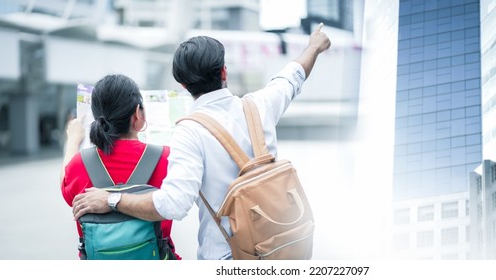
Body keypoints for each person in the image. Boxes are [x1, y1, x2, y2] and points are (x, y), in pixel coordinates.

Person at [72, 23, 331, 260]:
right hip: (284, 246)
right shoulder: (260, 106)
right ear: (223, 71)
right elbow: (292, 76)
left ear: (183, 86)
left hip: (228, 256)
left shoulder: (189, 132)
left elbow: (173, 204)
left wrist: (111, 200)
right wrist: (314, 46)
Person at [61, 74, 181, 260]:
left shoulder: (78, 164)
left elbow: (65, 185)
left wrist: (72, 141)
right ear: (137, 114)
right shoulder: (166, 158)